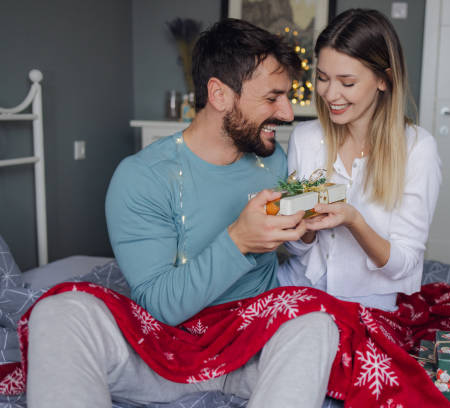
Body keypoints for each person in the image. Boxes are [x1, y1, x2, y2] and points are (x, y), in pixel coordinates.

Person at [26, 19, 339, 408]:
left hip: (249, 349)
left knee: (317, 322)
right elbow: (161, 307)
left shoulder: (271, 159)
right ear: (219, 94)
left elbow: (289, 252)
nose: (289, 114)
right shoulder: (142, 177)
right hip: (162, 354)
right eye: (272, 98)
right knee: (57, 313)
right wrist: (238, 240)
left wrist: (305, 229)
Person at [279, 9, 442, 312]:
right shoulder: (305, 137)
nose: (330, 94)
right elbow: (295, 249)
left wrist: (353, 220)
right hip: (297, 290)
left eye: (347, 82)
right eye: (323, 78)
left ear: (383, 80)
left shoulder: (418, 148)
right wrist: (307, 226)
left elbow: (404, 265)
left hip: (368, 306)